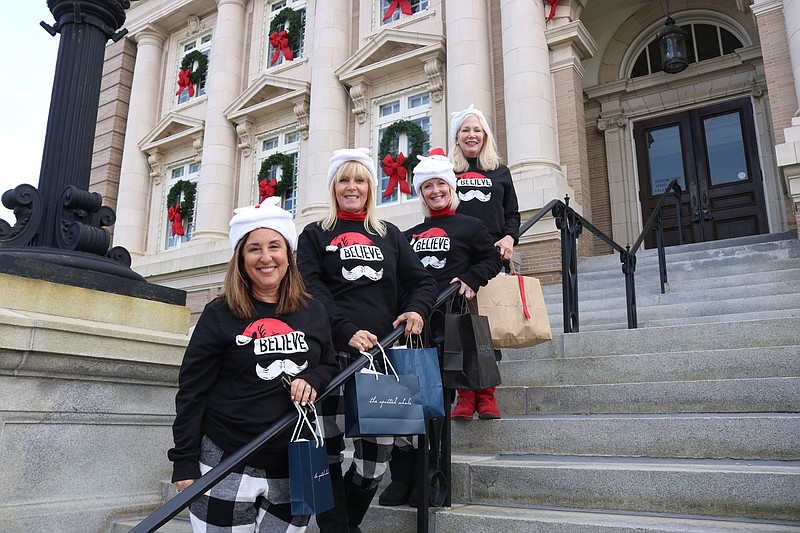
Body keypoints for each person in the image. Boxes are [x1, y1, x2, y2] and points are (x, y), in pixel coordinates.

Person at [168, 197, 339, 533]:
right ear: (241, 259)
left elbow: (329, 363)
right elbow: (192, 390)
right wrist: (184, 461)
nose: (265, 257)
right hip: (227, 458)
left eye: (274, 246)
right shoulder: (219, 313)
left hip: (293, 462)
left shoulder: (313, 310)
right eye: (254, 249)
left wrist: (314, 378)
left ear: (288, 257)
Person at [297, 148, 438, 533]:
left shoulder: (388, 234)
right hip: (328, 357)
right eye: (344, 179)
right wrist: (344, 330)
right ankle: (338, 528)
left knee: (378, 454)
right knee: (323, 451)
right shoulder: (315, 234)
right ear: (333, 186)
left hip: (383, 357)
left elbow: (422, 282)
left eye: (360, 179)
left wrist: (417, 310)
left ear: (371, 187)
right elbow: (310, 289)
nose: (352, 186)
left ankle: (343, 523)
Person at [378, 148, 503, 507]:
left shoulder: (470, 226)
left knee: (435, 409)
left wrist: (471, 277)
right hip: (412, 328)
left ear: (451, 187)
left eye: (440, 184)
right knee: (405, 405)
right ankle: (401, 477)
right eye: (428, 186)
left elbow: (492, 258)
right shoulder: (408, 233)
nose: (435, 191)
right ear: (421, 192)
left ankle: (431, 476)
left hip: (448, 328)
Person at [449, 104, 521, 420]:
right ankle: (465, 396)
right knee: (461, 329)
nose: (471, 134)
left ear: (485, 136)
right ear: (457, 137)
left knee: (488, 330)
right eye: (465, 130)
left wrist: (509, 237)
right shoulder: (448, 173)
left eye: (477, 129)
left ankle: (487, 396)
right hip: (457, 260)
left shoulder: (500, 172)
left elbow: (512, 214)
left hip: (491, 259)